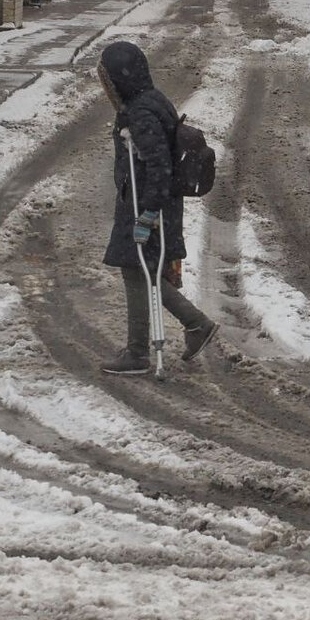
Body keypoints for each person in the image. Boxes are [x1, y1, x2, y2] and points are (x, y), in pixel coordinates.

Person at [96, 41, 218, 375]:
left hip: (148, 205)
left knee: (138, 269)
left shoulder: (141, 112)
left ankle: (140, 352)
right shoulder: (148, 101)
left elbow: (159, 164)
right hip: (147, 202)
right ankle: (195, 326)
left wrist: (148, 214)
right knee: (139, 269)